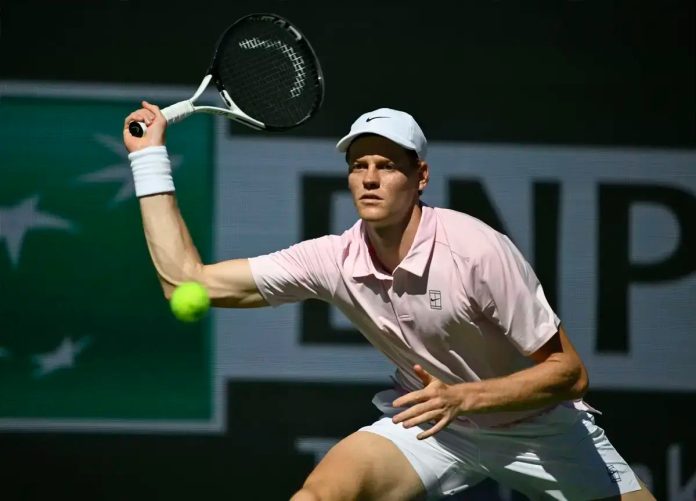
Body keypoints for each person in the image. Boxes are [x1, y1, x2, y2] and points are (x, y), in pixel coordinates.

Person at [123, 102, 655, 501]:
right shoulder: (333, 258)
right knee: (319, 495)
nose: (371, 178)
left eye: (387, 165)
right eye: (359, 165)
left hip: (538, 427)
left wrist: (463, 398)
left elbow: (570, 373)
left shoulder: (476, 250)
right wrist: (149, 160)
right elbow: (184, 281)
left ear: (420, 176)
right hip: (435, 426)